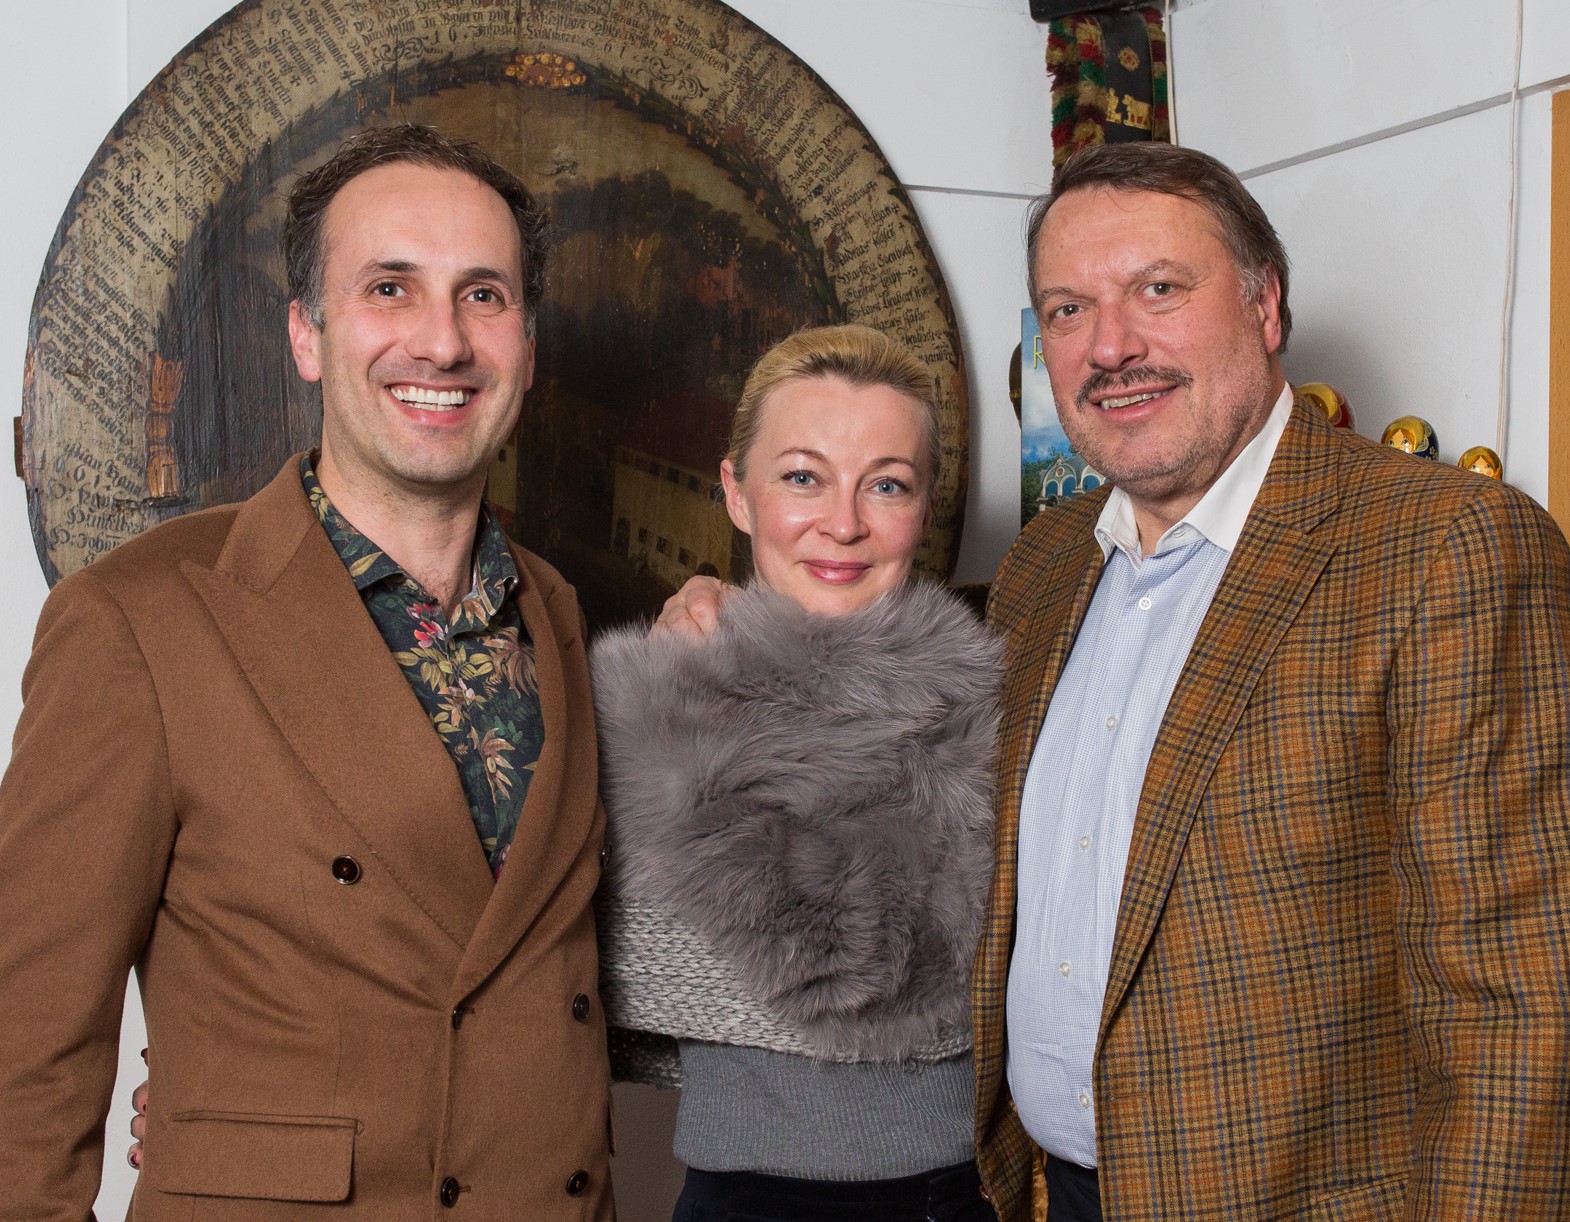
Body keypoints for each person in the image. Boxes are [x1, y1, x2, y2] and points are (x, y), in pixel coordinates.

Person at [0, 125, 613, 1217]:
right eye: (389, 288)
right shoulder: (139, 619)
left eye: (483, 295)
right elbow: (24, 1042)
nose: (442, 342)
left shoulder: (556, 613)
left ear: (526, 342)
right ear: (306, 334)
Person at [971, 142, 1570, 1219]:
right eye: (1066, 310)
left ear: (1265, 305)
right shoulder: (1042, 566)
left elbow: (1518, 999)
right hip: (1057, 1195)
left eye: (1159, 289)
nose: (1110, 345)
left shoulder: (1444, 546)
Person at [593, 324, 1003, 1221]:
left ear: (925, 506)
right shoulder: (644, 710)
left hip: (975, 1196)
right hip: (751, 1201)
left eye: (886, 484)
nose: (844, 523)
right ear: (736, 493)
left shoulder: (1004, 700)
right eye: (803, 478)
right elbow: (633, 988)